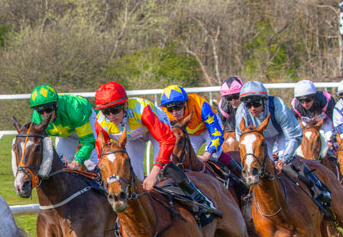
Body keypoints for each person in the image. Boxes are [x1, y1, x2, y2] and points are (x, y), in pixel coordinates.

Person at [93, 81, 218, 223]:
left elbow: (167, 140)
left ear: (124, 105)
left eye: (115, 109)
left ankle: (202, 203)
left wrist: (154, 173)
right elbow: (103, 157)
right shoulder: (101, 122)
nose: (111, 116)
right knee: (133, 173)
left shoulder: (142, 110)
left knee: (166, 166)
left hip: (156, 129)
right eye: (106, 112)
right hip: (133, 136)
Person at [234, 80, 331, 211]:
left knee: (289, 163)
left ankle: (319, 190)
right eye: (248, 105)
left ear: (264, 100)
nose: (252, 108)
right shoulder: (241, 111)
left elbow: (294, 135)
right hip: (259, 139)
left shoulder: (277, 105)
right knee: (257, 168)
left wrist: (283, 159)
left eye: (256, 103)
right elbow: (242, 139)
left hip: (282, 135)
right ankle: (248, 200)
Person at [27, 84, 97, 171]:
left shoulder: (74, 109)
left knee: (92, 164)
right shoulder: (37, 119)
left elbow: (88, 142)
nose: (45, 115)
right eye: (40, 111)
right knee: (63, 165)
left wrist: (77, 161)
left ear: (56, 104)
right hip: (65, 132)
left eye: (49, 109)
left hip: (84, 120)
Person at [290, 79, 337, 146]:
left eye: (308, 100)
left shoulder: (326, 100)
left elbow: (336, 123)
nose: (305, 104)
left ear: (314, 97)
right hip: (306, 125)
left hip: (325, 122)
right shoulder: (295, 105)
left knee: (330, 139)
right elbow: (291, 127)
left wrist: (332, 140)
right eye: (301, 101)